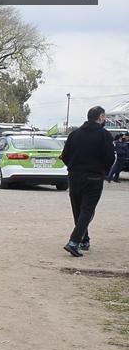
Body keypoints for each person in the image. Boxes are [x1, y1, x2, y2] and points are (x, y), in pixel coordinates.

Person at [60, 106, 116, 256]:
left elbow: (65, 155)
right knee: (87, 210)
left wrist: (73, 168)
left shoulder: (74, 134)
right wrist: (103, 171)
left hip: (74, 176)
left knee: (78, 209)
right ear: (101, 117)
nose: (104, 120)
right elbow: (110, 157)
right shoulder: (104, 135)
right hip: (94, 177)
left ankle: (84, 240)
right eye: (104, 117)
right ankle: (74, 241)